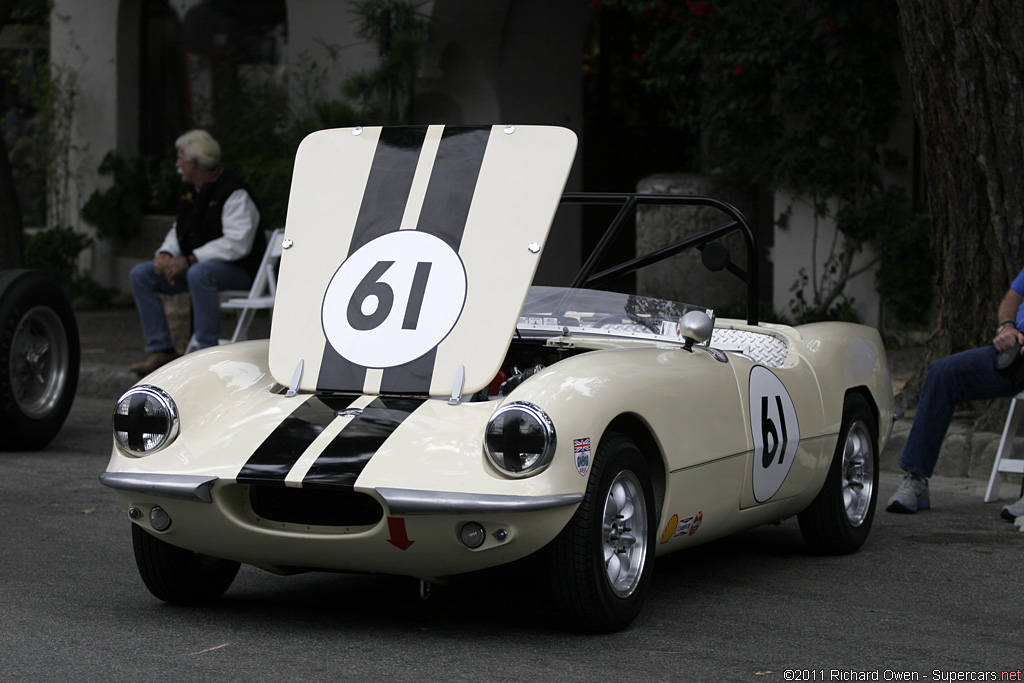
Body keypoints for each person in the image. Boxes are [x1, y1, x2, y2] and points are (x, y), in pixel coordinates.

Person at [887, 272, 1024, 522]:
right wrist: (1007, 326)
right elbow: (1012, 299)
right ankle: (916, 481)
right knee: (944, 372)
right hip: (1014, 353)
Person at [129, 129, 265, 375]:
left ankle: (206, 351)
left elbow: (238, 242)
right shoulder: (191, 191)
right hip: (197, 268)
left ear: (194, 162)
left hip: (239, 272)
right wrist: (166, 254)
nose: (177, 164)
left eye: (180, 157)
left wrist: (190, 260)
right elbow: (178, 230)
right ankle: (162, 350)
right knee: (142, 274)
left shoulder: (233, 192)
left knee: (199, 273)